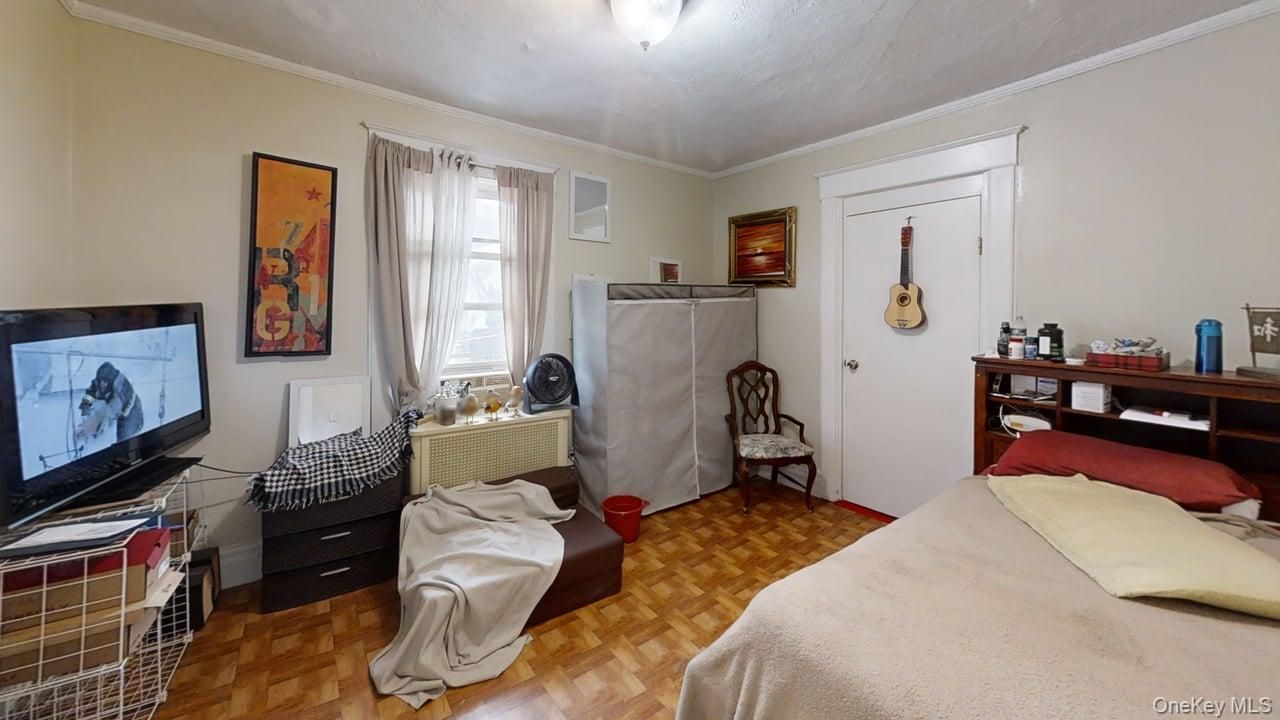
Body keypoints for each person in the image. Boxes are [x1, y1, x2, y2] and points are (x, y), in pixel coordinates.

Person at [77, 362, 144, 443]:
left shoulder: (118, 392)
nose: (102, 384)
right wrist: (85, 407)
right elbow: (91, 392)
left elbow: (108, 413)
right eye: (100, 380)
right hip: (117, 406)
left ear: (110, 380)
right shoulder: (101, 379)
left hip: (132, 414)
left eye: (105, 382)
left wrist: (88, 430)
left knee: (123, 442)